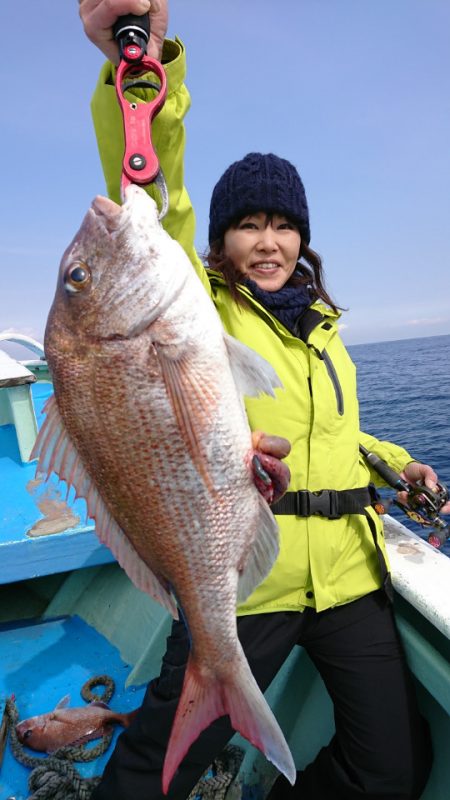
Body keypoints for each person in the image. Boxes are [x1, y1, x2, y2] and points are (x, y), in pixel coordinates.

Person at [79, 2, 448, 798]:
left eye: (283, 225)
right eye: (249, 225)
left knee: (396, 768)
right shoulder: (195, 307)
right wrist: (139, 66)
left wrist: (397, 461)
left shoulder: (324, 325)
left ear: (303, 237)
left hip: (351, 580)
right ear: (220, 240)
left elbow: (335, 430)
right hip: (243, 580)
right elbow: (152, 180)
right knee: (152, 773)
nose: (270, 241)